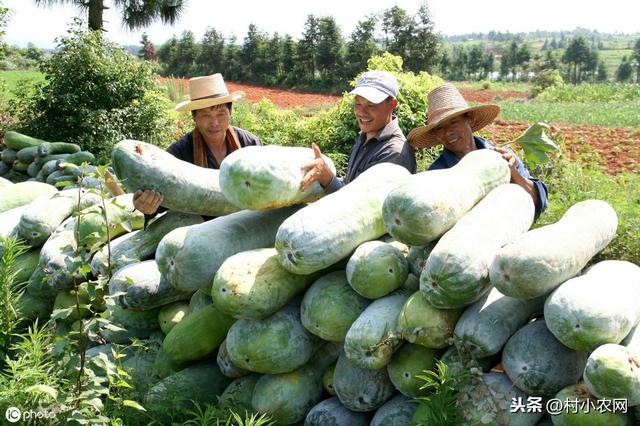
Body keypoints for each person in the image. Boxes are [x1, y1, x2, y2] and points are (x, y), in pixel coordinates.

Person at [407, 82, 548, 219]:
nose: (448, 132)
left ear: (470, 120)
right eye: (439, 128)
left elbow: (537, 203)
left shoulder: (502, 155)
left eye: (453, 122)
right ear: (436, 135)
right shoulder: (437, 173)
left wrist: (513, 173)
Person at [133, 73, 262, 215]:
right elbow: (163, 199)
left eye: (221, 114)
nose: (215, 122)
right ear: (194, 117)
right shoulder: (178, 153)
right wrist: (148, 207)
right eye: (206, 115)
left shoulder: (250, 144)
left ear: (230, 113)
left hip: (247, 220)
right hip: (200, 228)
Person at [300, 70, 416, 194]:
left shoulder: (394, 153)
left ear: (392, 104)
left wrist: (327, 178)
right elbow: (349, 185)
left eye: (371, 105)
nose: (362, 112)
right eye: (358, 103)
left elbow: (362, 207)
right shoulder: (364, 137)